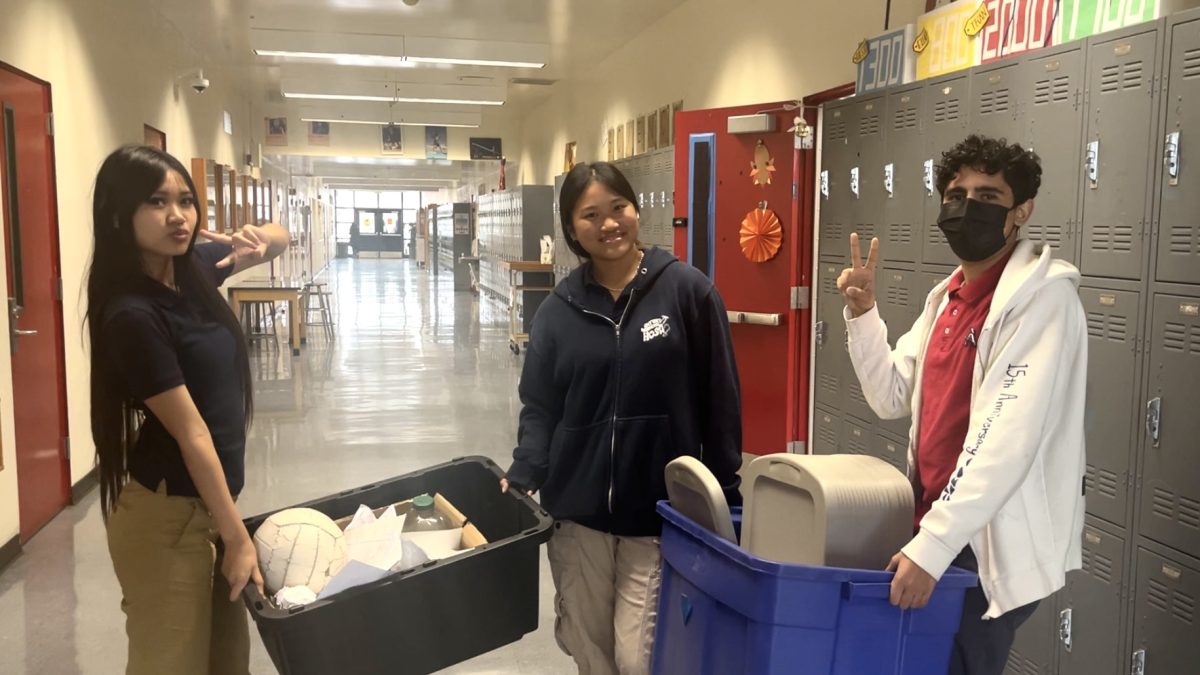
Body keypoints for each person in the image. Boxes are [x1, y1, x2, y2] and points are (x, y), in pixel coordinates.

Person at [837, 135, 1087, 675]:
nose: (967, 206)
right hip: (936, 527)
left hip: (984, 542)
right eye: (955, 193)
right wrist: (863, 314)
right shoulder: (947, 299)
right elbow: (890, 396)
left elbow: (1007, 437)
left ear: (1022, 211)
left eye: (988, 195)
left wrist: (935, 547)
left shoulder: (1042, 299)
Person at [502, 161, 743, 675]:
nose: (609, 224)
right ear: (571, 229)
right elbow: (540, 406)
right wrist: (526, 469)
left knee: (640, 658)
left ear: (635, 210)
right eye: (591, 215)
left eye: (618, 208)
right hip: (577, 514)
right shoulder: (558, 311)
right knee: (590, 652)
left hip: (657, 514)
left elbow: (719, 399)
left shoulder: (687, 293)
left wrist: (726, 494)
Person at [87, 145, 290, 675]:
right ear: (117, 214)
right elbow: (192, 433)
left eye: (185, 201)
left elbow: (281, 236)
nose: (177, 215)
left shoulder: (194, 268)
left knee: (228, 666)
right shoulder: (131, 314)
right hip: (165, 520)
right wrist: (237, 536)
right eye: (156, 202)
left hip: (208, 511)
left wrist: (255, 239)